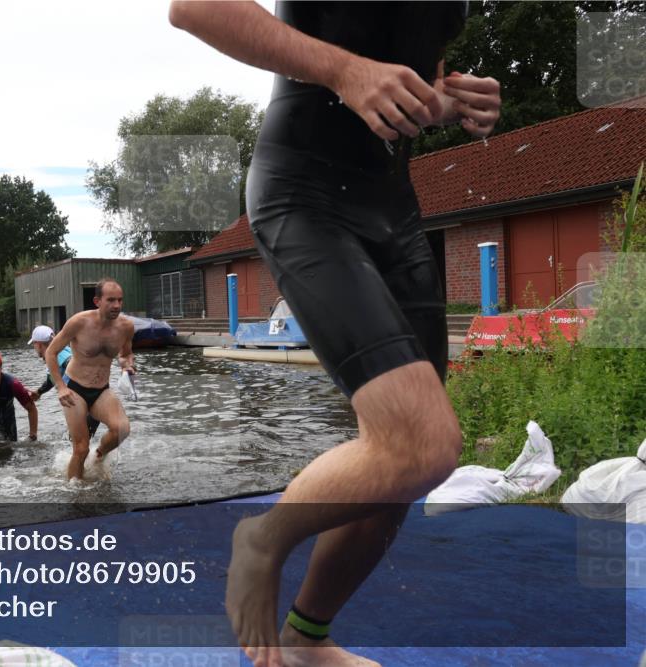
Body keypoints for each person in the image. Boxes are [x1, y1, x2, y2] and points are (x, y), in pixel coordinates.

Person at [169, 3, 501, 666]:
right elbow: (193, 8)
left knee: (400, 469)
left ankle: (307, 636)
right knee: (423, 441)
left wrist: (450, 101)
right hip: (303, 193)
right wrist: (345, 71)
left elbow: (411, 83)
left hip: (394, 212)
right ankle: (262, 538)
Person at [45, 278, 135, 480]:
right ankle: (74, 491)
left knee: (122, 429)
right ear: (97, 301)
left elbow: (126, 354)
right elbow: (51, 352)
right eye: (111, 300)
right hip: (74, 389)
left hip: (101, 390)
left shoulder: (126, 326)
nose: (117, 305)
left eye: (120, 300)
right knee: (81, 448)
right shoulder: (79, 322)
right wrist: (60, 387)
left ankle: (99, 455)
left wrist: (127, 365)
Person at [27, 325, 101, 440]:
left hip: (86, 403)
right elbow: (51, 380)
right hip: (90, 402)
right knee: (81, 441)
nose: (34, 348)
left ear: (39, 344)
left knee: (77, 441)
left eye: (34, 344)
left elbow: (70, 362)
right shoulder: (59, 351)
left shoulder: (57, 354)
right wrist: (39, 392)